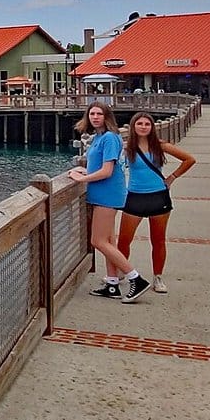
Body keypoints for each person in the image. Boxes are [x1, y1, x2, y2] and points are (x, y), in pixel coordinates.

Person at [67, 101, 151, 303]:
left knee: (98, 241)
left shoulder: (111, 138)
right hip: (101, 193)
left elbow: (107, 171)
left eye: (99, 114)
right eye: (92, 114)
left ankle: (135, 278)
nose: (95, 117)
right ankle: (112, 283)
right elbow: (99, 166)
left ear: (107, 117)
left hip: (108, 195)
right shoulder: (97, 138)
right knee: (109, 240)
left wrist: (82, 179)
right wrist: (84, 171)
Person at [116, 112, 196, 293]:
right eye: (140, 124)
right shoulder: (127, 148)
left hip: (158, 196)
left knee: (158, 240)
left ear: (151, 127)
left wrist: (172, 177)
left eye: (147, 124)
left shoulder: (159, 146)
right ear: (133, 126)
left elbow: (189, 159)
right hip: (134, 197)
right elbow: (114, 167)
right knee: (123, 240)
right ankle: (124, 271)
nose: (143, 127)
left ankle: (157, 277)